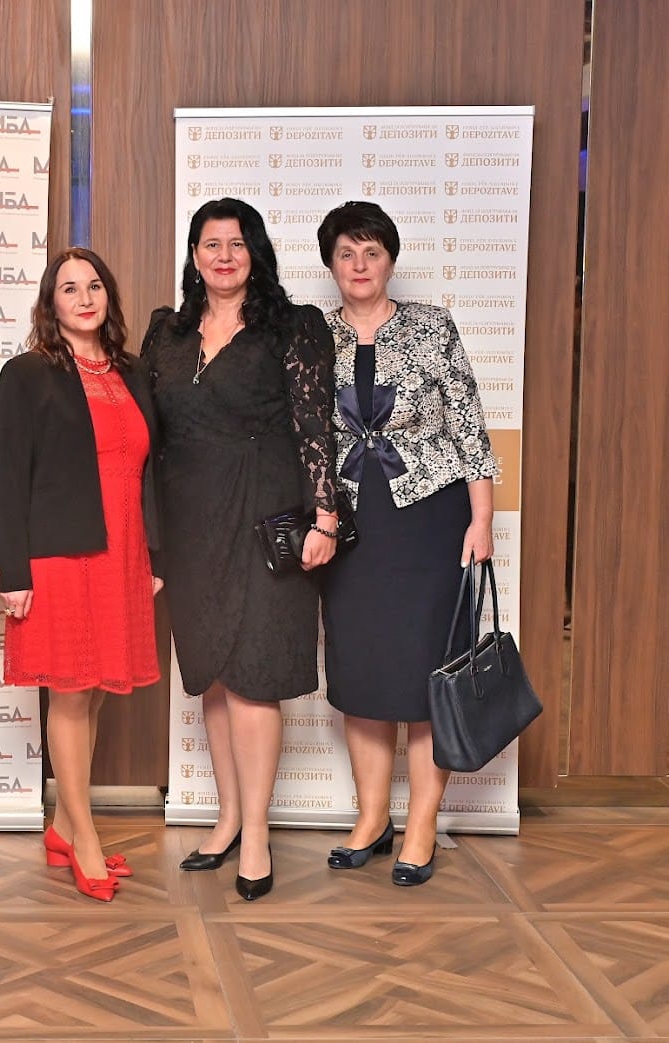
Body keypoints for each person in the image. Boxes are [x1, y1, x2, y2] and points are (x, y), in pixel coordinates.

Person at [141, 197, 339, 901]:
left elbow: (316, 425)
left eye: (236, 243)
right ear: (194, 256)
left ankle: (256, 833)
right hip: (189, 525)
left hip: (266, 516)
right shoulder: (166, 332)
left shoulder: (295, 326)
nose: (223, 256)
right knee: (214, 675)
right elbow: (148, 437)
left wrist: (326, 518)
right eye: (210, 244)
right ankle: (227, 818)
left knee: (254, 673)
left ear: (255, 252)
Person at [316, 201, 497, 886]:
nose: (359, 265)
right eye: (346, 253)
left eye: (372, 252)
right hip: (351, 526)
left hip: (429, 521)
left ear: (390, 259)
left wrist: (481, 520)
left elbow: (468, 424)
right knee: (363, 672)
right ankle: (371, 819)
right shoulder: (314, 335)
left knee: (428, 673)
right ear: (331, 264)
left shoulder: (432, 325)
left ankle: (421, 824)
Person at [0, 248, 162, 903]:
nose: (84, 297)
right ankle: (84, 836)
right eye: (69, 288)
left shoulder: (132, 371)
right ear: (51, 302)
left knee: (94, 693)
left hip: (123, 550)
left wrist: (155, 555)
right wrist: (13, 570)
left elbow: (151, 471)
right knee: (69, 691)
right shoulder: (28, 374)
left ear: (107, 296)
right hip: (60, 553)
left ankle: (64, 826)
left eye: (94, 286)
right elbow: (8, 477)